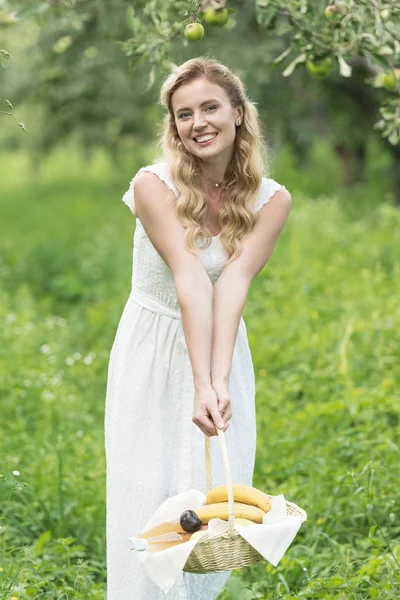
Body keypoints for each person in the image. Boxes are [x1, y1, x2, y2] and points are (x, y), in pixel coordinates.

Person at [104, 56, 292, 600]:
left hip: (222, 345)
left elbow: (232, 286)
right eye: (183, 114)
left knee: (209, 502)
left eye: (210, 107)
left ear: (238, 112)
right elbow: (189, 276)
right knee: (146, 497)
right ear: (174, 126)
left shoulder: (271, 201)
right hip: (153, 345)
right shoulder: (153, 185)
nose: (197, 122)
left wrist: (217, 379)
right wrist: (198, 380)